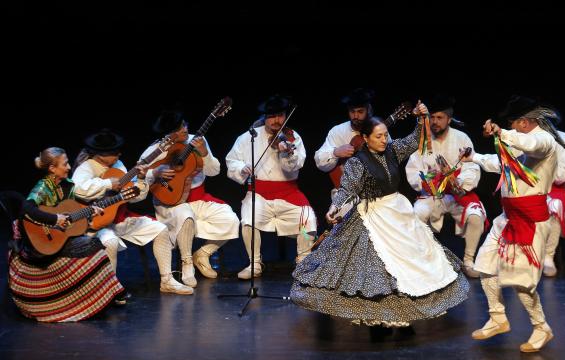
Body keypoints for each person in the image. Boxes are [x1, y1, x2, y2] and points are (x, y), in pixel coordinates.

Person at [291, 101, 469, 329]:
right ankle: (379, 312)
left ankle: (408, 307)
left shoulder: (393, 150)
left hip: (398, 211)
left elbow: (414, 140)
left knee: (412, 260)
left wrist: (421, 119)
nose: (384, 140)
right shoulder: (357, 163)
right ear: (366, 138)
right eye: (378, 136)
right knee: (377, 267)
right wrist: (334, 208)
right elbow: (347, 189)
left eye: (385, 135)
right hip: (372, 214)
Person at [466, 95, 565, 353]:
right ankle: (497, 317)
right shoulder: (519, 140)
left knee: (522, 281)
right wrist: (474, 157)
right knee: (485, 266)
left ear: (524, 121)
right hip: (507, 218)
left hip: (530, 221)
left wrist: (502, 133)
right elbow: (504, 164)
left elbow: (531, 145)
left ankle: (541, 327)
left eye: (513, 124)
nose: (511, 128)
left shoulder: (544, 140)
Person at [8, 147, 125, 322]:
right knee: (94, 245)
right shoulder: (43, 187)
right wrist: (54, 219)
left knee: (96, 244)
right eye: (65, 164)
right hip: (41, 243)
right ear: (52, 168)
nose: (69, 167)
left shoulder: (68, 184)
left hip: (59, 238)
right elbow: (26, 209)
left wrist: (90, 211)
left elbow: (71, 211)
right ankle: (110, 292)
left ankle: (104, 293)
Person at [72, 128, 192, 294]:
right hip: (96, 223)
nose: (119, 155)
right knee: (110, 242)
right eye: (114, 153)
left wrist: (141, 179)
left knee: (160, 230)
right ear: (100, 155)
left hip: (121, 218)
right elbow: (78, 190)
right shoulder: (86, 167)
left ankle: (167, 280)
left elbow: (134, 197)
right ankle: (109, 291)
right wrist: (107, 184)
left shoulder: (118, 165)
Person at [140, 108, 240, 287]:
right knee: (185, 215)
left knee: (231, 219)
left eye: (184, 125)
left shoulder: (197, 141)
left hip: (198, 197)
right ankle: (187, 264)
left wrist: (204, 153)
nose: (184, 130)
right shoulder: (155, 150)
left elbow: (214, 171)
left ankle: (202, 254)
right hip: (170, 203)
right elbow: (137, 179)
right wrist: (154, 173)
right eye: (179, 129)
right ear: (168, 134)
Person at [226, 95, 317, 278]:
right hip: (259, 193)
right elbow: (232, 160)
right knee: (248, 220)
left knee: (308, 220)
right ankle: (255, 263)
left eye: (280, 115)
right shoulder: (249, 137)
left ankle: (303, 260)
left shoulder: (292, 137)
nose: (276, 120)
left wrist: (287, 153)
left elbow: (295, 165)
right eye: (272, 116)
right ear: (265, 117)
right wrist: (242, 168)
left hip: (289, 192)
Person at [404, 94, 486, 278]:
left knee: (476, 216)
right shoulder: (423, 140)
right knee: (417, 213)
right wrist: (431, 178)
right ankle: (423, 261)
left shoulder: (462, 138)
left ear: (449, 119)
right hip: (433, 195)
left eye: (439, 117)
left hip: (458, 194)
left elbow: (472, 166)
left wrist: (458, 182)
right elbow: (413, 169)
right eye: (432, 117)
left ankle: (469, 261)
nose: (435, 121)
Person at [541, 109, 565, 277]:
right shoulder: (526, 138)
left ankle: (548, 256)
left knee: (555, 207)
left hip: (555, 190)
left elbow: (563, 175)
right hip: (530, 187)